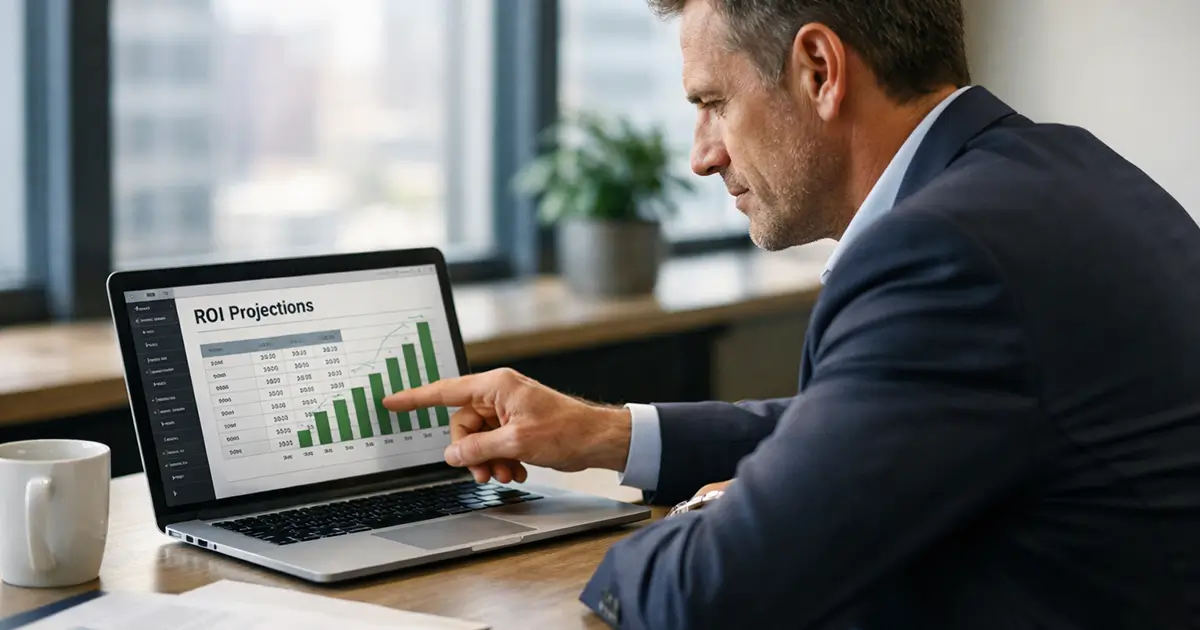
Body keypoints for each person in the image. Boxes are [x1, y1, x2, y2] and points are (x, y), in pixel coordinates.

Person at [385, 0, 1200, 627]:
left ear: (818, 68)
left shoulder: (943, 254)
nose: (702, 153)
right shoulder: (1065, 168)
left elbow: (709, 598)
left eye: (713, 103)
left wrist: (715, 514)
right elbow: (879, 420)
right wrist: (605, 435)